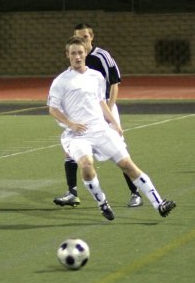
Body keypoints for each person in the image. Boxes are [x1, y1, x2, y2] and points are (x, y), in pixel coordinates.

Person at [48, 36, 176, 221]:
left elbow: (101, 102)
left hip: (100, 130)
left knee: (128, 165)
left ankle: (159, 204)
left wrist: (114, 123)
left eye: (80, 52)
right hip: (77, 135)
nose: (77, 56)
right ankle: (102, 203)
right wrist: (70, 124)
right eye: (73, 53)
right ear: (67, 55)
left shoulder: (96, 76)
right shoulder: (61, 81)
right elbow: (53, 108)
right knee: (86, 164)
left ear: (85, 53)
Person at [53, 22, 143, 208]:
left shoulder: (102, 56)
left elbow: (114, 84)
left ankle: (135, 193)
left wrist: (107, 113)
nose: (83, 41)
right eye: (79, 37)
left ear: (91, 37)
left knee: (119, 151)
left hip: (105, 109)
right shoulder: (77, 56)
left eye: (85, 37)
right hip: (85, 111)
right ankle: (72, 193)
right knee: (71, 149)